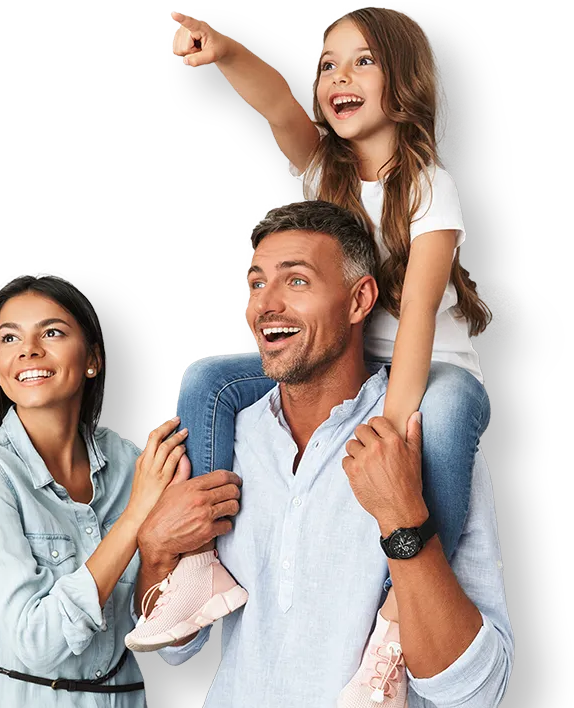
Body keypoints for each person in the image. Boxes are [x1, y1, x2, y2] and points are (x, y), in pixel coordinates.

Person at [129, 7, 493, 706]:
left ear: (404, 82)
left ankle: (395, 614)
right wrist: (225, 50)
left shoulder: (429, 188)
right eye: (328, 64)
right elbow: (273, 99)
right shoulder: (323, 166)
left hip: (434, 369)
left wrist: (388, 422)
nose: (339, 77)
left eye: (362, 62)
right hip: (348, 359)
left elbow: (416, 313)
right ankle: (201, 564)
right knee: (207, 377)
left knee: (436, 419)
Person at [130, 199, 514, 708]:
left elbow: (475, 692)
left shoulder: (428, 443)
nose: (265, 304)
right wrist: (156, 555)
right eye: (256, 283)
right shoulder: (226, 440)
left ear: (359, 302)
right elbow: (178, 648)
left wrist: (405, 521)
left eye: (296, 281)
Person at [0, 272, 242, 707]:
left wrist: (161, 554)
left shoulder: (131, 463)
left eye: (52, 332)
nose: (28, 349)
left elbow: (170, 640)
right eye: (9, 338)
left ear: (91, 360)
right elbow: (37, 642)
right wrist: (137, 517)